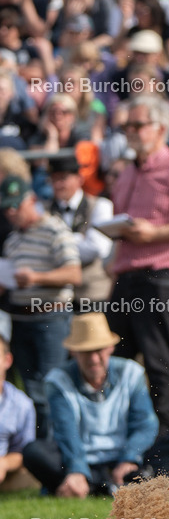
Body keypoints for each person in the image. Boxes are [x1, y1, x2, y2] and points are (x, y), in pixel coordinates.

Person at [105, 94, 169, 435]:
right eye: (127, 126)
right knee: (115, 359)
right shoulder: (124, 175)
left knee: (157, 360)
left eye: (138, 125)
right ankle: (120, 438)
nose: (131, 132)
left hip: (163, 274)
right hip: (127, 274)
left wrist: (154, 233)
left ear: (161, 128)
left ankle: (166, 444)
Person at [21, 313, 169, 497]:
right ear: (73, 352)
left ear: (110, 348)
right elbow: (66, 433)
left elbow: (145, 423)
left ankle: (102, 486)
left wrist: (129, 457)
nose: (94, 359)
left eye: (98, 350)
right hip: (84, 459)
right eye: (86, 351)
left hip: (127, 456)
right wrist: (78, 469)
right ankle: (111, 483)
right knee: (33, 452)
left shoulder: (131, 372)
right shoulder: (57, 381)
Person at [0, 175, 81, 439]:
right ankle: (43, 450)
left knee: (51, 386)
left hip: (51, 317)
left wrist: (36, 278)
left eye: (16, 206)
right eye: (7, 208)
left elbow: (74, 273)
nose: (11, 213)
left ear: (32, 200)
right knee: (34, 390)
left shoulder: (54, 229)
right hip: (21, 319)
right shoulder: (12, 241)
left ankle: (61, 450)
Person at [45, 154, 114, 307]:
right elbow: (40, 249)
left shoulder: (101, 205)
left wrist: (58, 245)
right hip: (57, 297)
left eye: (63, 178)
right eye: (54, 179)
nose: (58, 185)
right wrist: (78, 239)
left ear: (79, 179)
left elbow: (97, 248)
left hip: (92, 294)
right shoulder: (43, 210)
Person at [0, 328, 35, 491]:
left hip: (3, 471)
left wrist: (4, 463)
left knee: (30, 478)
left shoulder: (22, 404)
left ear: (7, 360)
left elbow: (24, 452)